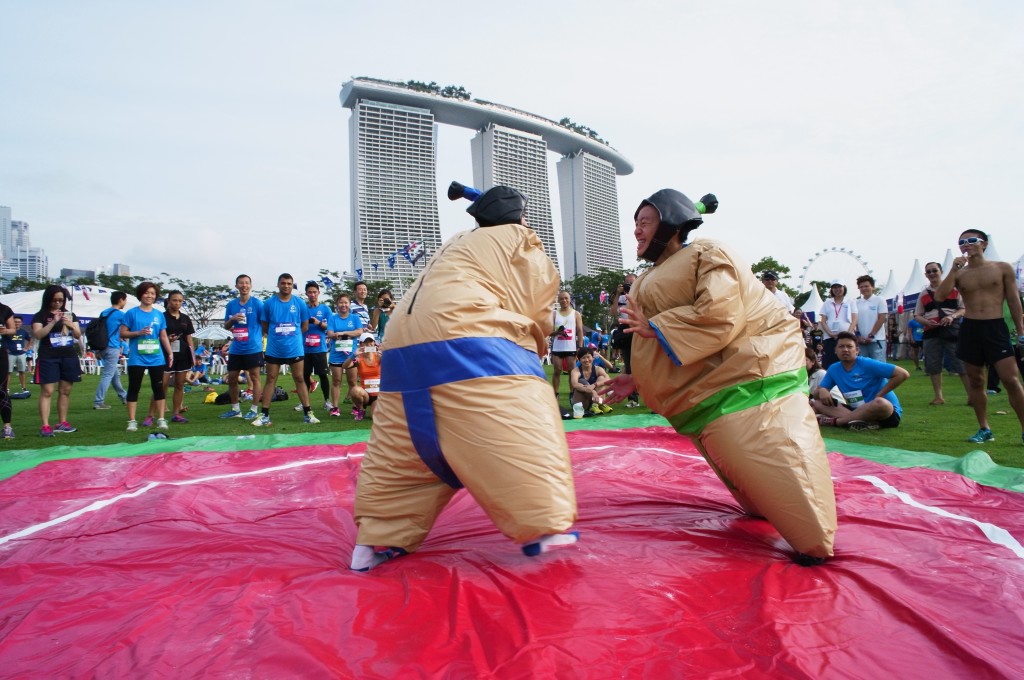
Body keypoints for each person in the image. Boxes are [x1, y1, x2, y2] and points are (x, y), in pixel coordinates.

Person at [599, 188, 835, 563]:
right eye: (636, 224)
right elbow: (651, 343)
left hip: (751, 381)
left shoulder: (707, 253)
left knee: (791, 494)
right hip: (703, 401)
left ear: (671, 224)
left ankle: (814, 540)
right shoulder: (646, 280)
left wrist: (659, 324)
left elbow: (720, 314)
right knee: (751, 484)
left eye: (645, 222)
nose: (637, 232)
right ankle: (770, 509)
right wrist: (636, 378)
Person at [350, 185, 578, 571]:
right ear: (519, 217)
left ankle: (378, 537)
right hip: (464, 335)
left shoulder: (457, 244)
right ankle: (543, 523)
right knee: (518, 413)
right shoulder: (520, 240)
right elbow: (537, 301)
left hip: (402, 346)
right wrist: (533, 342)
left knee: (406, 446)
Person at [934, 229, 1024, 445]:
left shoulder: (1002, 268)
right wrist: (954, 269)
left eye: (971, 240)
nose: (967, 245)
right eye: (962, 242)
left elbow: (1013, 300)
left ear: (983, 244)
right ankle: (984, 428)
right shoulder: (960, 273)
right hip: (971, 328)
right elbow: (940, 296)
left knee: (1011, 380)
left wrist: (1021, 331)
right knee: (976, 381)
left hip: (995, 328)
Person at [252, 273, 318, 427]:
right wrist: (278, 336)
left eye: (289, 283)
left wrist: (292, 336)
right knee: (271, 379)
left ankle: (308, 413)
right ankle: (264, 415)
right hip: (274, 348)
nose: (286, 286)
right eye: (283, 283)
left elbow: (305, 326)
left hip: (295, 348)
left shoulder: (300, 303)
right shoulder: (268, 303)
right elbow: (265, 326)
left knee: (300, 378)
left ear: (292, 285)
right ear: (278, 284)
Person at [812, 332, 908, 430]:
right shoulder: (834, 368)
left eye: (849, 346)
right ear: (835, 350)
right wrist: (822, 390)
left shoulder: (867, 363)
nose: (845, 350)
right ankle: (860, 421)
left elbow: (902, 374)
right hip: (856, 410)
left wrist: (879, 394)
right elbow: (816, 395)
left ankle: (837, 422)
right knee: (818, 403)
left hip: (883, 412)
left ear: (857, 350)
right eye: (841, 346)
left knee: (881, 403)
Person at [914, 262, 969, 405]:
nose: (932, 274)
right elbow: (918, 315)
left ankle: (972, 395)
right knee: (933, 364)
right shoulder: (924, 294)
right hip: (931, 332)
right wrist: (926, 322)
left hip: (951, 329)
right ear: (926, 275)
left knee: (960, 362)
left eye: (934, 270)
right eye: (929, 272)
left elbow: (963, 309)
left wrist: (952, 316)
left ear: (941, 271)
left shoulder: (954, 289)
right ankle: (938, 396)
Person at [121, 281, 173, 432]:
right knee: (134, 388)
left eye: (152, 293)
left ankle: (161, 419)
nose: (149, 296)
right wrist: (138, 333)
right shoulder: (132, 313)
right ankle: (132, 421)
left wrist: (169, 353)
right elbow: (122, 333)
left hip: (156, 357)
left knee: (158, 388)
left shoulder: (158, 315)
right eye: (146, 293)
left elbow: (163, 336)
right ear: (140, 294)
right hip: (137, 357)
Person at [31, 285, 82, 437]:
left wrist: (71, 325)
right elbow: (38, 334)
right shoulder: (40, 315)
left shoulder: (70, 314)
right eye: (55, 300)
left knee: (65, 390)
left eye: (61, 300)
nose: (58, 303)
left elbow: (78, 335)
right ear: (48, 299)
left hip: (68, 355)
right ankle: (45, 425)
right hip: (48, 356)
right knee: (48, 391)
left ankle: (62, 422)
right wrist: (53, 322)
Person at [221, 274, 265, 420]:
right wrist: (232, 319)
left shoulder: (258, 304)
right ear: (237, 286)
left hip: (253, 348)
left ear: (250, 286)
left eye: (247, 283)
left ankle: (253, 409)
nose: (244, 285)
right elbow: (226, 326)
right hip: (236, 348)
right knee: (232, 378)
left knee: (255, 378)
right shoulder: (231, 305)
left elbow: (265, 324)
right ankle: (235, 409)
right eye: (241, 283)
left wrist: (258, 336)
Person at [150, 290, 196, 424]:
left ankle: (176, 413)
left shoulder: (185, 318)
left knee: (180, 384)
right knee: (161, 385)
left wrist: (192, 356)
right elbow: (156, 335)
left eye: (180, 301)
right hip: (164, 355)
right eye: (174, 300)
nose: (177, 303)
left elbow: (189, 338)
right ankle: (151, 415)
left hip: (182, 355)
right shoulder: (161, 317)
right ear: (168, 301)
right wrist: (166, 339)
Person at [326, 292, 363, 417]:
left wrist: (342, 333)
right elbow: (330, 333)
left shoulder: (354, 318)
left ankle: (356, 407)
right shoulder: (333, 318)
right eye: (341, 302)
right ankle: (335, 407)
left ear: (349, 304)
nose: (343, 305)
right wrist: (336, 334)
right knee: (336, 381)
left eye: (346, 302)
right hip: (336, 355)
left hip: (350, 356)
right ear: (337, 304)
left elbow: (359, 331)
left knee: (352, 382)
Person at [92, 291, 129, 410]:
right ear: (121, 300)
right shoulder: (120, 315)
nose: (125, 303)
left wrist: (97, 350)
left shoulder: (104, 313)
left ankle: (124, 396)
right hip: (113, 346)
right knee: (108, 374)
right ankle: (99, 401)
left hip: (102, 346)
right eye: (125, 300)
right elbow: (127, 328)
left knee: (114, 374)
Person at [300, 281, 333, 411]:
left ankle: (327, 401)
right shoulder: (303, 308)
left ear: (318, 293)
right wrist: (307, 322)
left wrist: (318, 323)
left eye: (315, 292)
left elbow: (330, 328)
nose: (312, 294)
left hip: (320, 348)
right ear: (306, 294)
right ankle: (304, 402)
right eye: (310, 292)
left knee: (323, 375)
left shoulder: (325, 309)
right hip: (305, 348)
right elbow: (299, 326)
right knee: (305, 375)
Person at [612, 274, 641, 407]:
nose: (629, 286)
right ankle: (633, 399)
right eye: (627, 283)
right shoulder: (621, 297)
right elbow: (613, 313)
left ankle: (648, 394)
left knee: (644, 364)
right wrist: (617, 295)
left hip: (639, 328)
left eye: (632, 283)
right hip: (625, 330)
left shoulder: (641, 294)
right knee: (629, 366)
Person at [549, 290, 583, 398]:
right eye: (561, 299)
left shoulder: (576, 314)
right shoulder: (554, 314)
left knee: (571, 371)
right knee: (557, 370)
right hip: (557, 348)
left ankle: (572, 393)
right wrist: (556, 332)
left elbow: (580, 331)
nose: (564, 300)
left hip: (571, 347)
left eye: (566, 298)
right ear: (558, 301)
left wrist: (580, 347)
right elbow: (549, 332)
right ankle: (555, 393)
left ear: (570, 299)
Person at [342, 332, 381, 421]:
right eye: (366, 342)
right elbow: (345, 366)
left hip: (379, 394)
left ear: (374, 343)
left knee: (374, 417)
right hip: (366, 394)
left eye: (371, 342)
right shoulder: (359, 359)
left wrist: (385, 355)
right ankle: (361, 410)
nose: (369, 344)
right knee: (355, 390)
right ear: (361, 344)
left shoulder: (379, 356)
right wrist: (353, 355)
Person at [818, 279, 857, 369]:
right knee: (829, 363)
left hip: (847, 338)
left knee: (847, 362)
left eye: (839, 287)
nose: (837, 289)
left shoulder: (850, 301)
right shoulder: (827, 303)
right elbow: (823, 321)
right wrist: (830, 333)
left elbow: (854, 319)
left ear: (844, 288)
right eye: (834, 287)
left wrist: (848, 333)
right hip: (830, 338)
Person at [854, 275, 888, 362]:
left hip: (877, 340)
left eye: (866, 286)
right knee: (864, 367)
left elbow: (882, 318)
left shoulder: (880, 300)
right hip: (862, 342)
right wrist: (858, 335)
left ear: (872, 287)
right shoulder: (857, 303)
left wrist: (872, 335)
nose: (864, 289)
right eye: (861, 287)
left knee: (879, 367)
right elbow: (855, 321)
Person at [569, 346, 612, 416]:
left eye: (588, 357)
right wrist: (593, 391)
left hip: (596, 399)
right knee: (581, 381)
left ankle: (596, 405)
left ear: (593, 358)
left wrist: (594, 385)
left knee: (602, 378)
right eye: (583, 358)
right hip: (582, 401)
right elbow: (575, 384)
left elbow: (608, 379)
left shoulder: (598, 369)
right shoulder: (576, 371)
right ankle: (598, 404)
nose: (586, 360)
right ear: (579, 360)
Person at [0, 301, 16, 439]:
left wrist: (4, 330)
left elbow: (13, 330)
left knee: (1, 389)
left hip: (0, 353)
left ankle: (7, 427)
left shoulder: (4, 309)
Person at [5, 317, 32, 397]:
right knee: (8, 372)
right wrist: (6, 349)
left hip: (21, 354)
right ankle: (6, 389)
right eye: (15, 322)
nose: (17, 323)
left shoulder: (23, 332)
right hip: (11, 354)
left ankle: (23, 388)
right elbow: (2, 341)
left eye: (19, 322)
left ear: (21, 323)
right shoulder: (8, 331)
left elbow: (30, 339)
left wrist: (26, 348)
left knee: (22, 371)